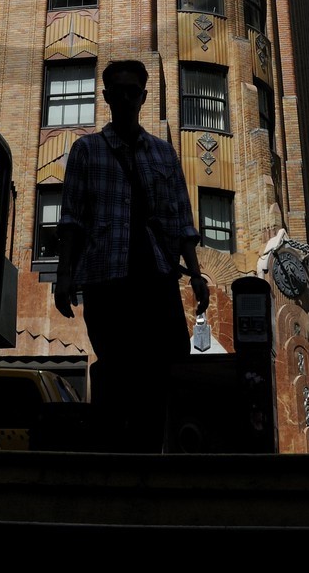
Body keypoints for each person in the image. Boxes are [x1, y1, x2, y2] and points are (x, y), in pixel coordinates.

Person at [55, 58, 209, 447]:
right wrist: (64, 276)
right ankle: (114, 458)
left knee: (166, 364)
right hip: (107, 278)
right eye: (118, 91)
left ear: (143, 96)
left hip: (157, 276)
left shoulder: (163, 154)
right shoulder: (86, 151)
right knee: (115, 367)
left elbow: (183, 220)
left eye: (132, 91)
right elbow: (72, 219)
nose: (125, 97)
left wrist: (196, 275)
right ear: (106, 96)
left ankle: (151, 453)